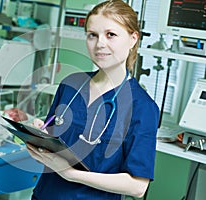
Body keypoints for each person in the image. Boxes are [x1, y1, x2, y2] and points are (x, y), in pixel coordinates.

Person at [26, 0, 160, 199]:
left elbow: (137, 187)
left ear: (133, 39)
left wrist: (72, 174)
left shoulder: (142, 107)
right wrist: (38, 138)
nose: (100, 44)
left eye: (111, 35)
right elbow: (52, 143)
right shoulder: (70, 85)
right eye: (92, 35)